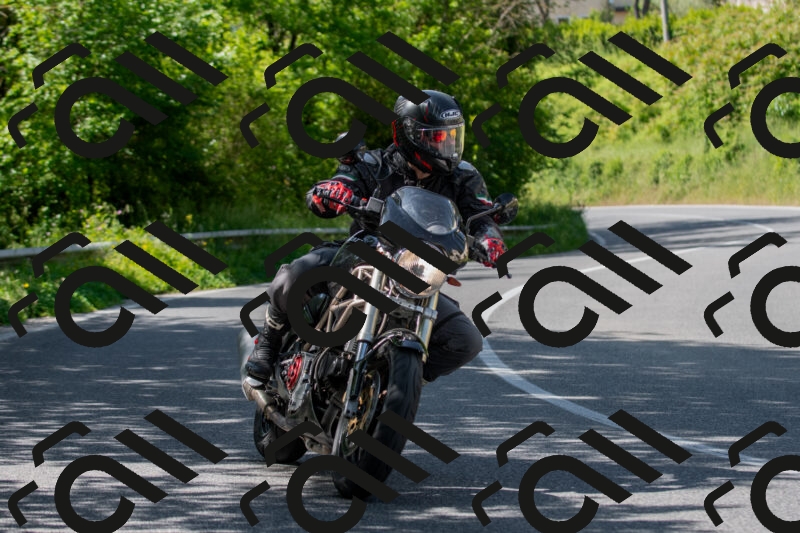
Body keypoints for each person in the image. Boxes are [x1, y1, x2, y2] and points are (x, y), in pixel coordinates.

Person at [246, 90, 507, 384]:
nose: (446, 145)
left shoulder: (464, 177)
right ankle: (267, 344)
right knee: (297, 273)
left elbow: (482, 217)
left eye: (451, 136)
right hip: (362, 255)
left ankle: (390, 384)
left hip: (416, 274)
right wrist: (331, 192)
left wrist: (490, 240)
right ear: (407, 133)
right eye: (436, 137)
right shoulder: (372, 164)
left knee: (465, 341)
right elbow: (341, 183)